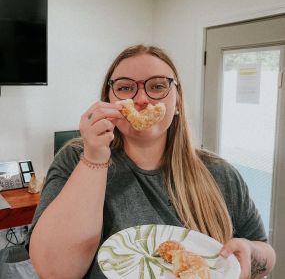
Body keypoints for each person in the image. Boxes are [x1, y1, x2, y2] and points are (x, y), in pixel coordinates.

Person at [28, 44, 275, 279]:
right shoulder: (76, 159)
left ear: (177, 103)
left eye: (157, 86)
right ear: (109, 101)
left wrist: (250, 255)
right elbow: (54, 270)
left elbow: (264, 252)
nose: (142, 99)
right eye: (125, 88)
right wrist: (95, 156)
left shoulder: (220, 173)